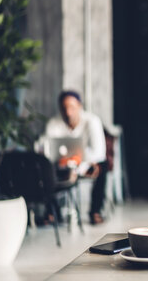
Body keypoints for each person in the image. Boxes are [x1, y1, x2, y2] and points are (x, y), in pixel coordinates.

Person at [44, 90, 108, 225]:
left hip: (86, 165)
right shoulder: (53, 123)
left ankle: (95, 211)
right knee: (44, 169)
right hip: (60, 166)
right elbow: (47, 151)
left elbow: (99, 152)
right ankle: (51, 211)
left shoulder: (92, 121)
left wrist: (78, 162)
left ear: (79, 106)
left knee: (103, 165)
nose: (68, 112)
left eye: (72, 107)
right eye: (64, 108)